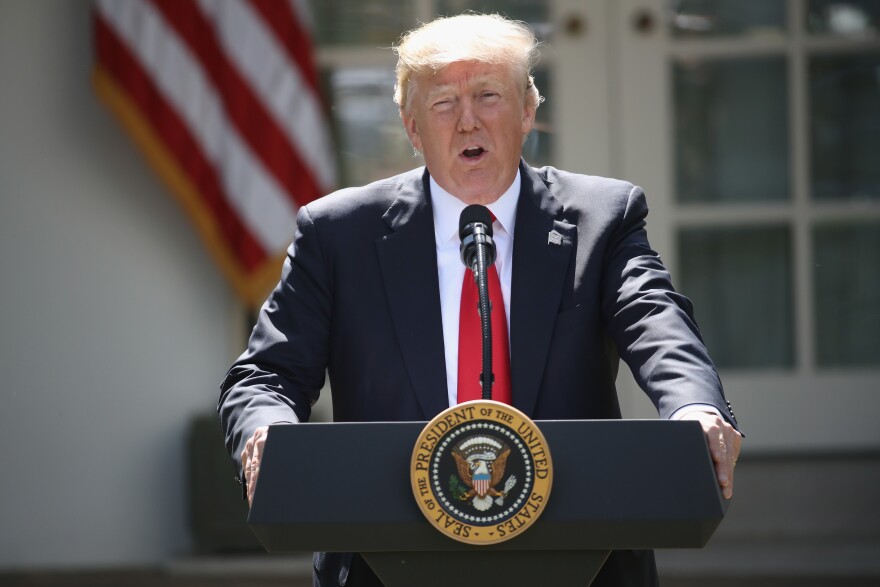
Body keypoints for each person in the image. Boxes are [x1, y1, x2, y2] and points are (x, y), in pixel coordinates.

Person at [219, 13, 742, 587]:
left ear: (527, 111)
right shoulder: (339, 234)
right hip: (382, 562)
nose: (468, 121)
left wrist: (696, 409)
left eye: (488, 95)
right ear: (412, 127)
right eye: (443, 103)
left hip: (583, 559)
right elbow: (266, 375)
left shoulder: (601, 218)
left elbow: (657, 322)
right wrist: (265, 431)